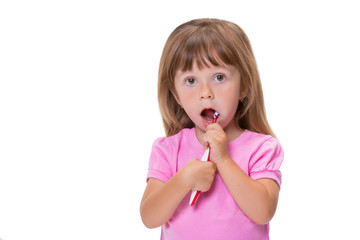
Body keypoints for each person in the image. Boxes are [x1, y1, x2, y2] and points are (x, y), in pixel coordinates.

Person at [140, 18, 284, 240]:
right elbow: (149, 218)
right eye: (190, 80)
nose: (205, 92)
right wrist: (183, 179)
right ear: (175, 93)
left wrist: (224, 160)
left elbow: (263, 211)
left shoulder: (262, 148)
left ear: (244, 86)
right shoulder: (167, 149)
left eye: (219, 77)